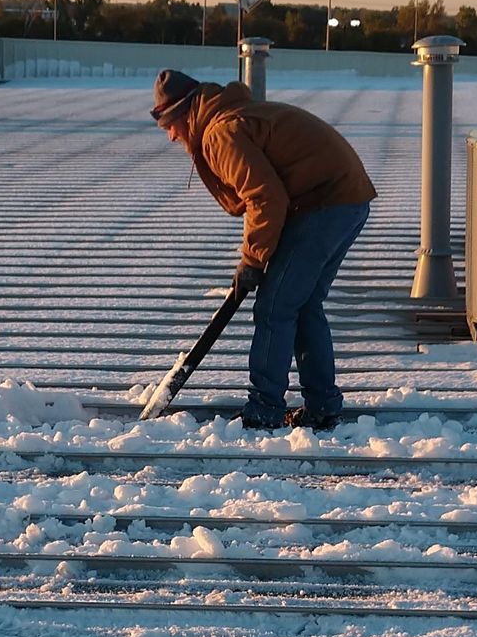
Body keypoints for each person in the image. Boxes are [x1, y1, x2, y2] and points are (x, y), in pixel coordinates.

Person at [149, 68, 376, 430]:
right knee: (301, 303)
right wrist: (256, 256)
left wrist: (252, 260)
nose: (172, 137)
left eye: (170, 127)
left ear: (186, 114)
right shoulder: (230, 117)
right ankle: (322, 404)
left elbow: (265, 198)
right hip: (345, 197)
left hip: (327, 202)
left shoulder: (220, 133)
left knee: (276, 305)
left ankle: (265, 407)